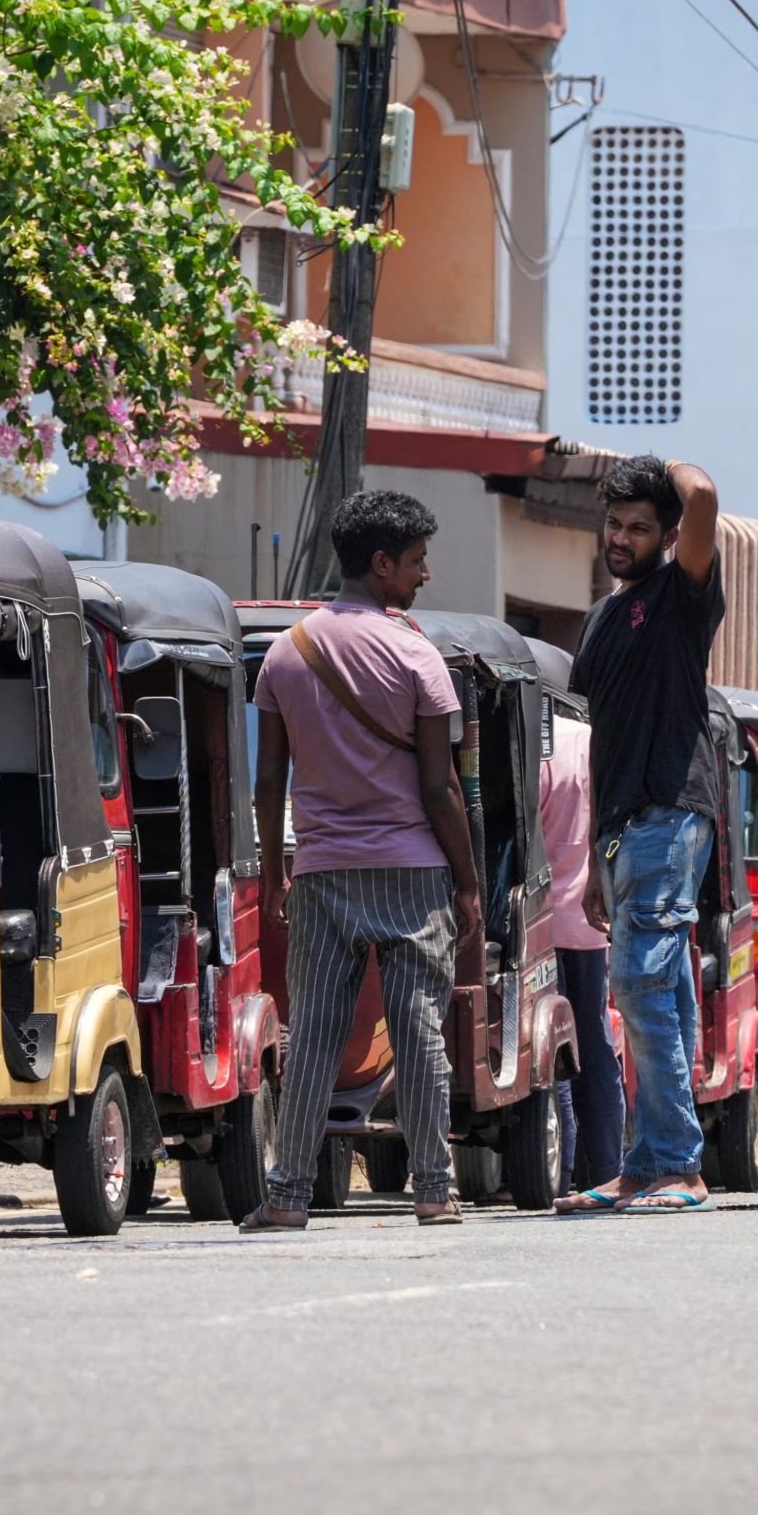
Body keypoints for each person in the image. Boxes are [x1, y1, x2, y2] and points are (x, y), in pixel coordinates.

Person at [240, 491, 483, 1231]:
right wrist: (468, 883)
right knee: (418, 1031)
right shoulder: (417, 655)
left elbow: (268, 783)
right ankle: (433, 1191)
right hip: (413, 872)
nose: (424, 575)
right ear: (381, 565)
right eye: (415, 562)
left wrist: (276, 875)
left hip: (321, 871)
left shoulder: (287, 652)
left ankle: (286, 1198)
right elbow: (440, 786)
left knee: (314, 1035)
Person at [563, 454, 722, 1214]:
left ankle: (679, 1166)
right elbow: (603, 740)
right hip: (625, 824)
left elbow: (704, 495)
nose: (621, 538)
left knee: (637, 982)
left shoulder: (681, 595)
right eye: (614, 524)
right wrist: (596, 855)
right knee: (663, 993)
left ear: (667, 537)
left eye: (639, 527)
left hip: (671, 806)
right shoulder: (602, 618)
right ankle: (647, 1164)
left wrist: (661, 467)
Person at [542, 706, 623, 1195]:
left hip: (540, 924)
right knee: (594, 1044)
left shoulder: (537, 744)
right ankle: (608, 1168)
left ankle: (563, 1168)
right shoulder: (599, 742)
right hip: (592, 923)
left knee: (552, 1049)